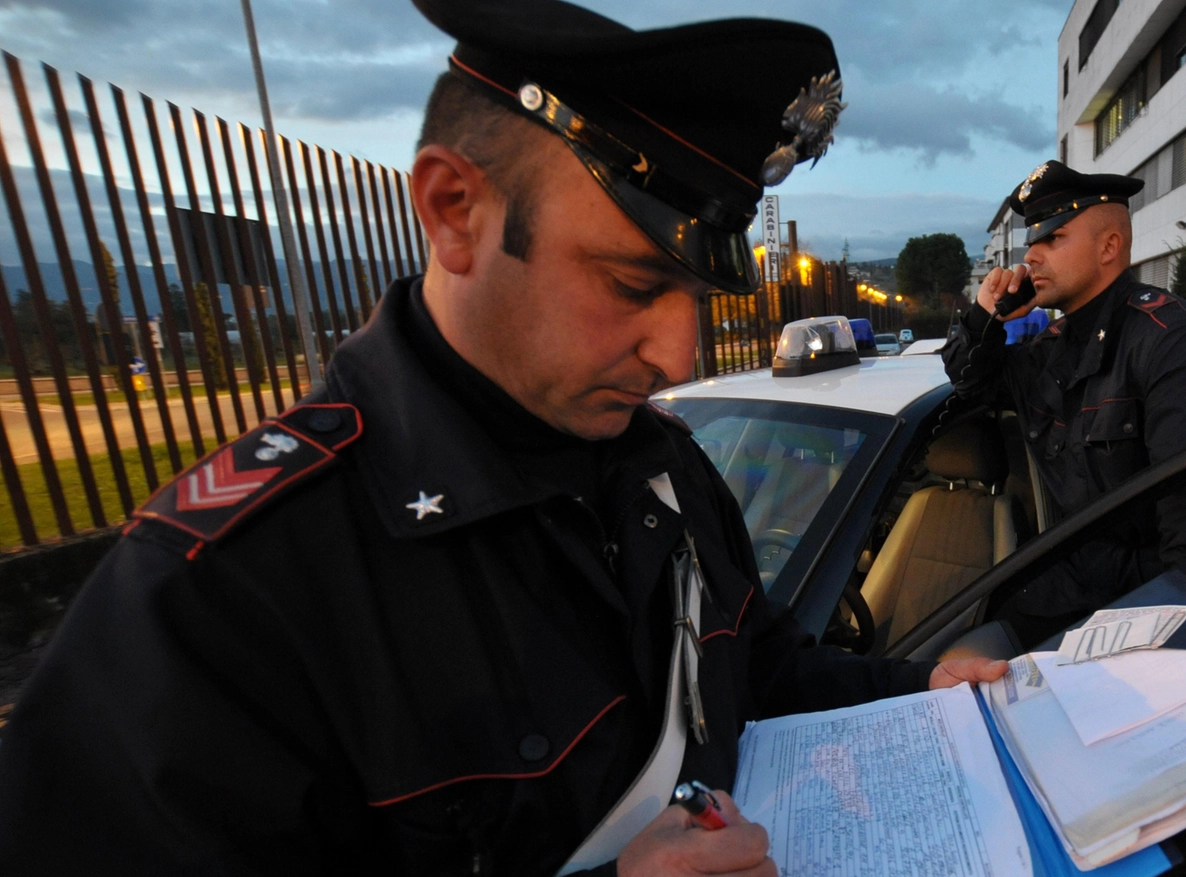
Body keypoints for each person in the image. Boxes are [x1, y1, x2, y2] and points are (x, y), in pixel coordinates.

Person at [0, 2, 1006, 874]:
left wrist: (919, 691)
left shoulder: (667, 468)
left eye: (698, 295)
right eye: (631, 284)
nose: (679, 353)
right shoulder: (221, 594)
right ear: (453, 211)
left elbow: (765, 670)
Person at [942, 160, 1186, 646]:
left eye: (1052, 239)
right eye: (1032, 241)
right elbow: (971, 381)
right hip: (1070, 587)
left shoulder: (1172, 343)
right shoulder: (1052, 347)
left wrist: (1183, 654)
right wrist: (986, 315)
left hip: (1152, 596)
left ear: (1109, 246)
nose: (1030, 257)